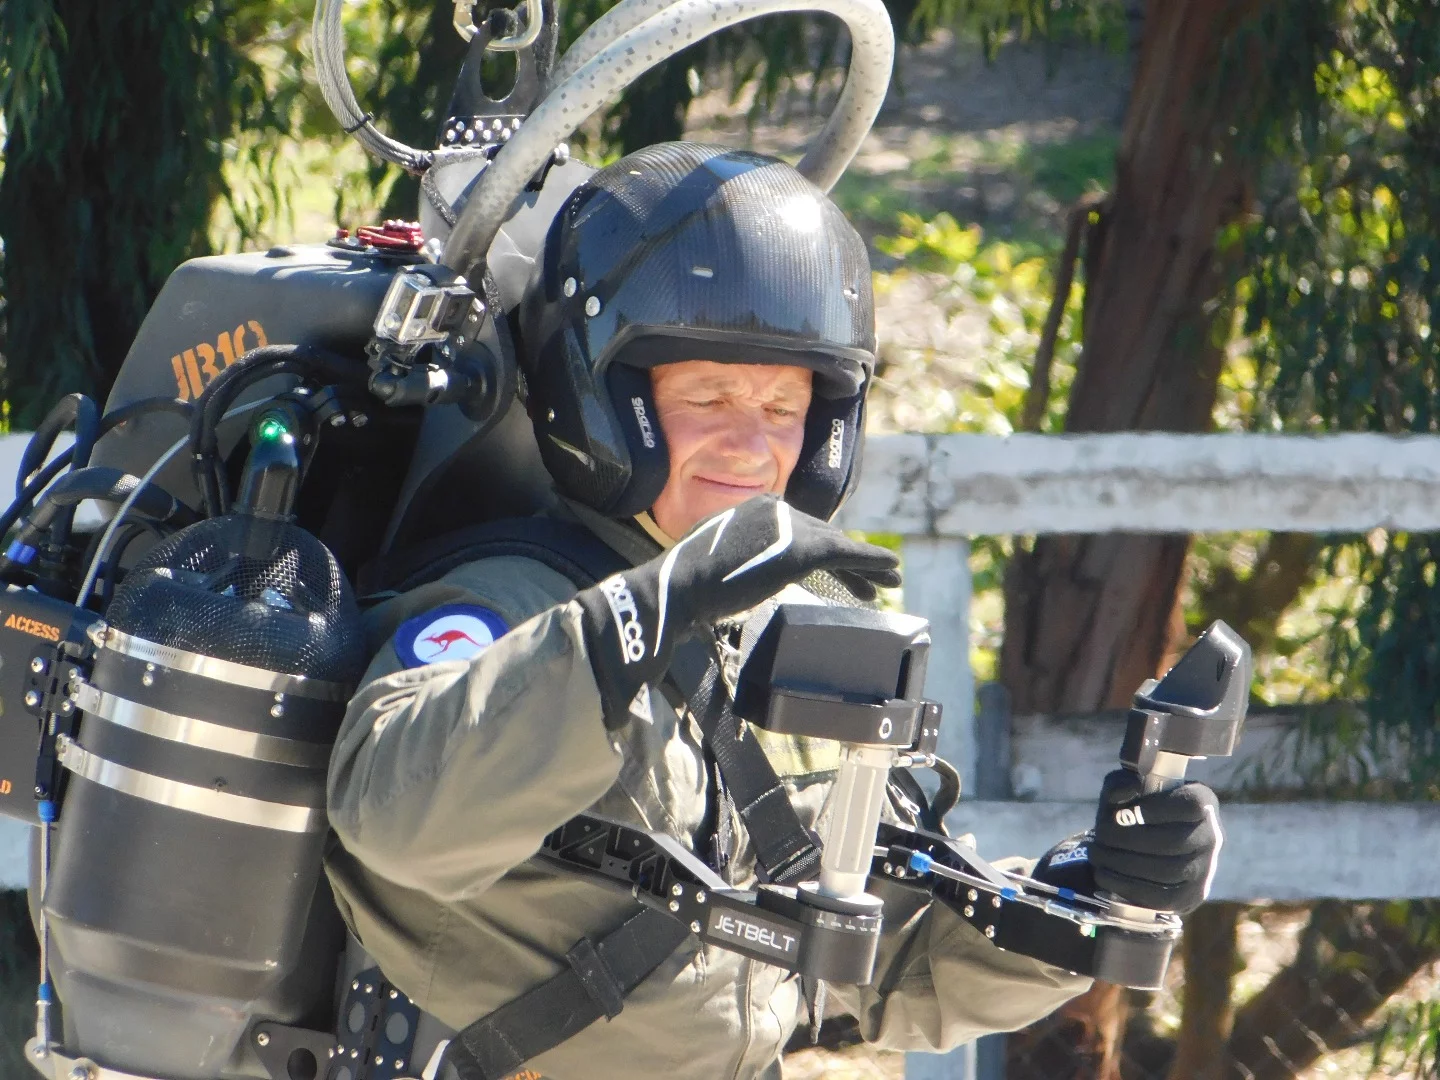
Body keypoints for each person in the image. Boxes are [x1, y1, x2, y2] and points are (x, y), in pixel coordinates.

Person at [324, 142, 1223, 1080]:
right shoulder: (502, 605)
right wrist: (649, 610)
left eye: (785, 407)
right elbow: (398, 821)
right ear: (609, 403)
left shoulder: (749, 628)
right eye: (708, 395)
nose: (752, 447)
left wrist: (1082, 901)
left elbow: (851, 980)